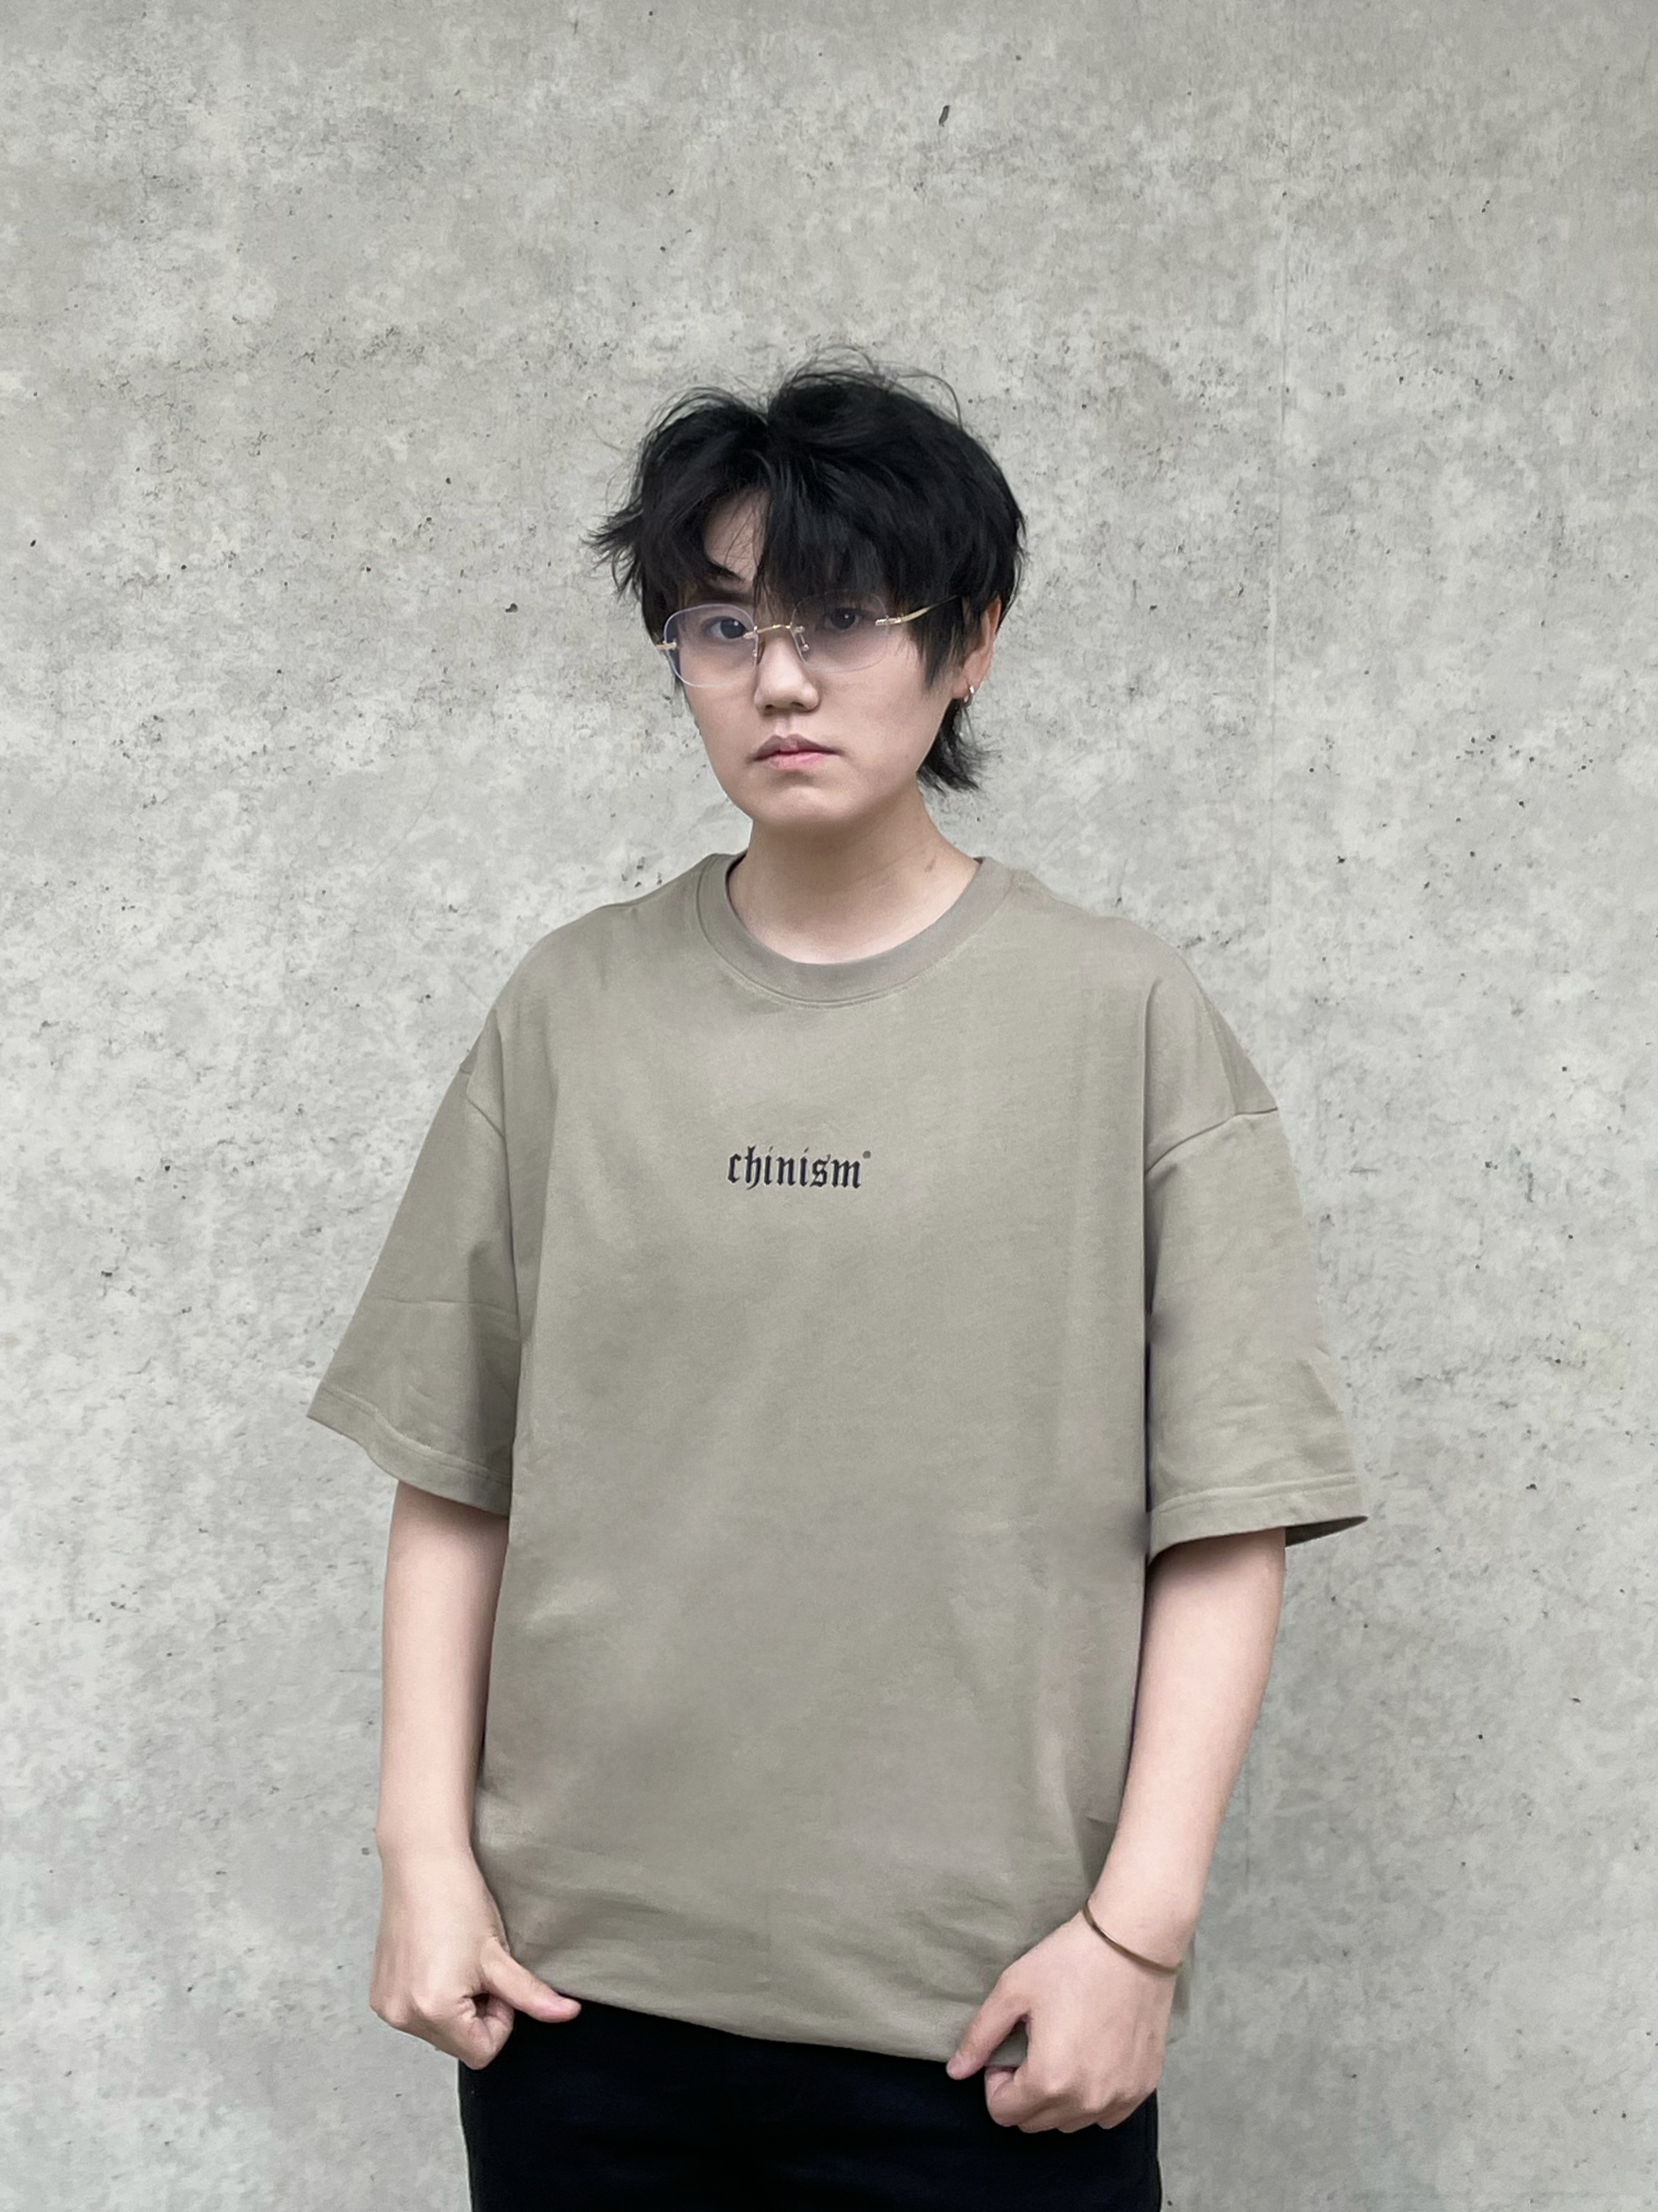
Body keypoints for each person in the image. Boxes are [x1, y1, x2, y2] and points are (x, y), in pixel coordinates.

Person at [305, 351, 1369, 2210]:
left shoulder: (1119, 1017)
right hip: (579, 2006)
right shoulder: (569, 1009)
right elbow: (456, 1475)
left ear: (971, 644)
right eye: (722, 625)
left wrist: (1135, 1936)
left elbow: (1228, 1514)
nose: (780, 680)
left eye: (845, 619)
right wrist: (423, 1861)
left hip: (985, 2022)